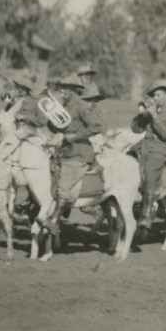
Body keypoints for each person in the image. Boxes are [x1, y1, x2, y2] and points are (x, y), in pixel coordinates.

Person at [46, 74, 103, 229]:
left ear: (73, 89)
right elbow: (56, 127)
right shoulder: (64, 104)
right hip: (64, 151)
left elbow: (97, 126)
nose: (61, 90)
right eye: (61, 87)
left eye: (65, 87)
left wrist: (74, 137)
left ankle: (53, 220)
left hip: (79, 152)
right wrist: (51, 120)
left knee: (63, 185)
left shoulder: (81, 106)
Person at [131, 80, 166, 233]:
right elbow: (136, 130)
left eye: (159, 95)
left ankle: (146, 215)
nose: (155, 98)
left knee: (150, 172)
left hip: (159, 149)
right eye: (154, 95)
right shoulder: (152, 111)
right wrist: (140, 115)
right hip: (144, 147)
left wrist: (154, 115)